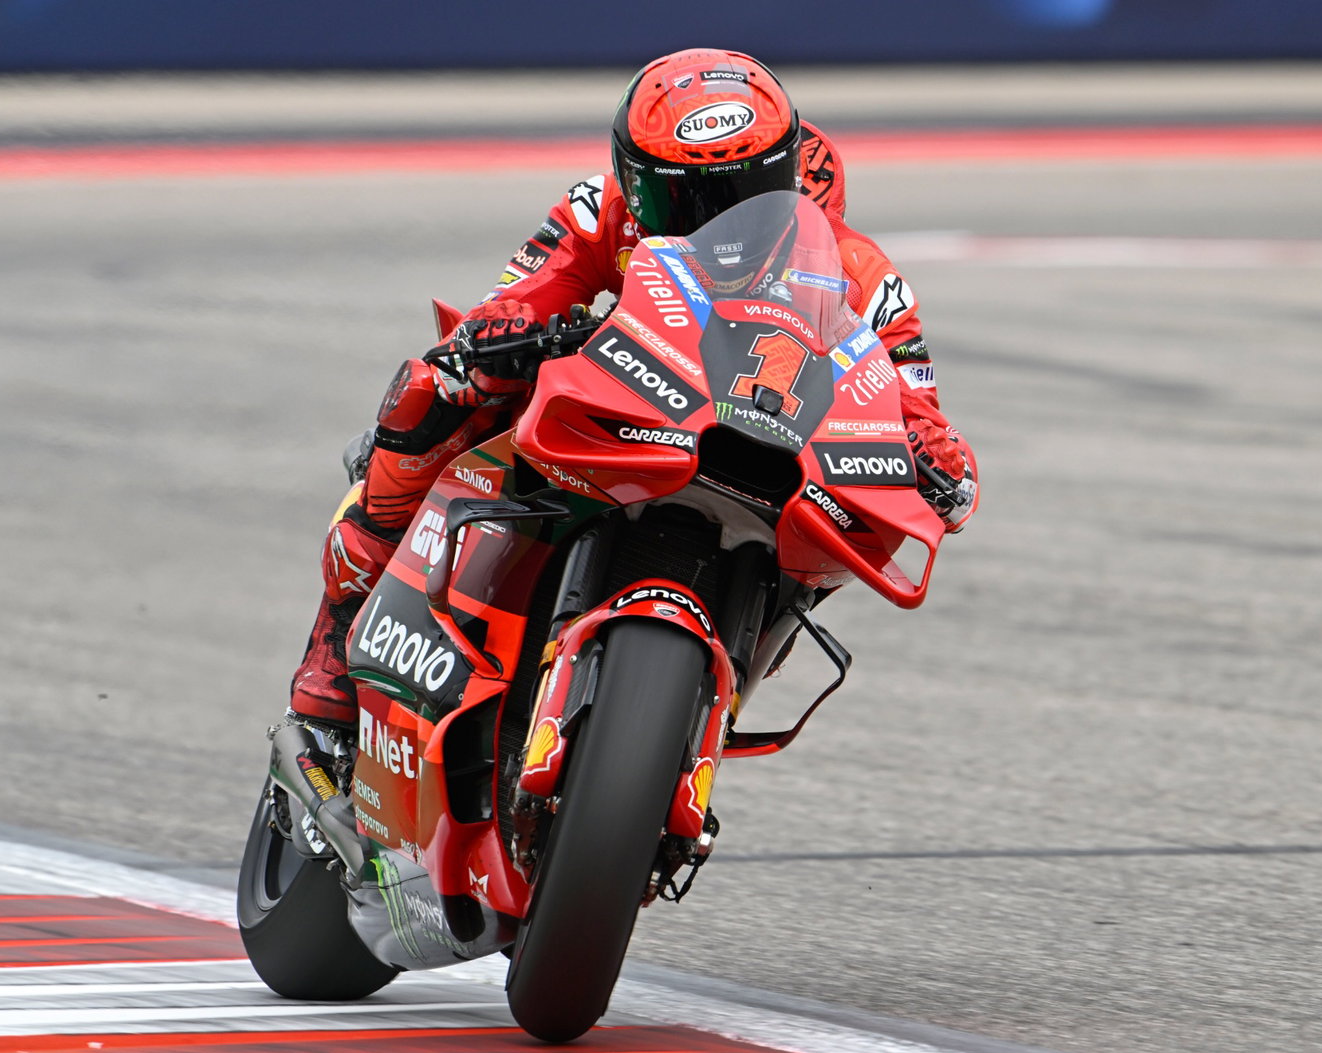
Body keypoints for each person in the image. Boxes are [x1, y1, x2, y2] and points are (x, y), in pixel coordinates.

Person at [289, 47, 979, 731]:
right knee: (438, 385)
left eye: (740, 197)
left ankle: (710, 686)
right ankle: (340, 624)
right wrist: (503, 333)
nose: (709, 218)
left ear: (788, 181)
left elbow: (916, 407)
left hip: (762, 447)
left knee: (857, 525)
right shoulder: (599, 211)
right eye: (675, 194)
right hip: (615, 413)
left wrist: (935, 458)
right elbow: (517, 301)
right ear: (630, 173)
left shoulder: (861, 273)